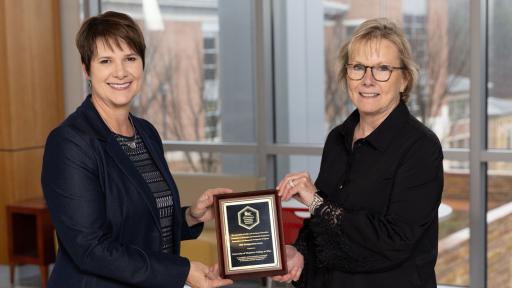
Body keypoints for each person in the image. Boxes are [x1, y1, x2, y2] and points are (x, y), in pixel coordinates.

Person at [42, 11, 233, 288]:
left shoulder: (146, 132)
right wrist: (181, 272)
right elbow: (90, 249)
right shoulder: (70, 142)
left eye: (130, 58)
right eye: (106, 61)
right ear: (87, 69)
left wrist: (190, 216)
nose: (121, 72)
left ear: (142, 63)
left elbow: (141, 223)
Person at [273, 18, 444, 288]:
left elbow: (394, 241)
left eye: (382, 69)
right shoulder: (337, 138)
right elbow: (324, 226)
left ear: (405, 80)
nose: (367, 80)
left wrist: (315, 201)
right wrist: (300, 254)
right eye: (358, 67)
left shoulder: (421, 147)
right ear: (346, 75)